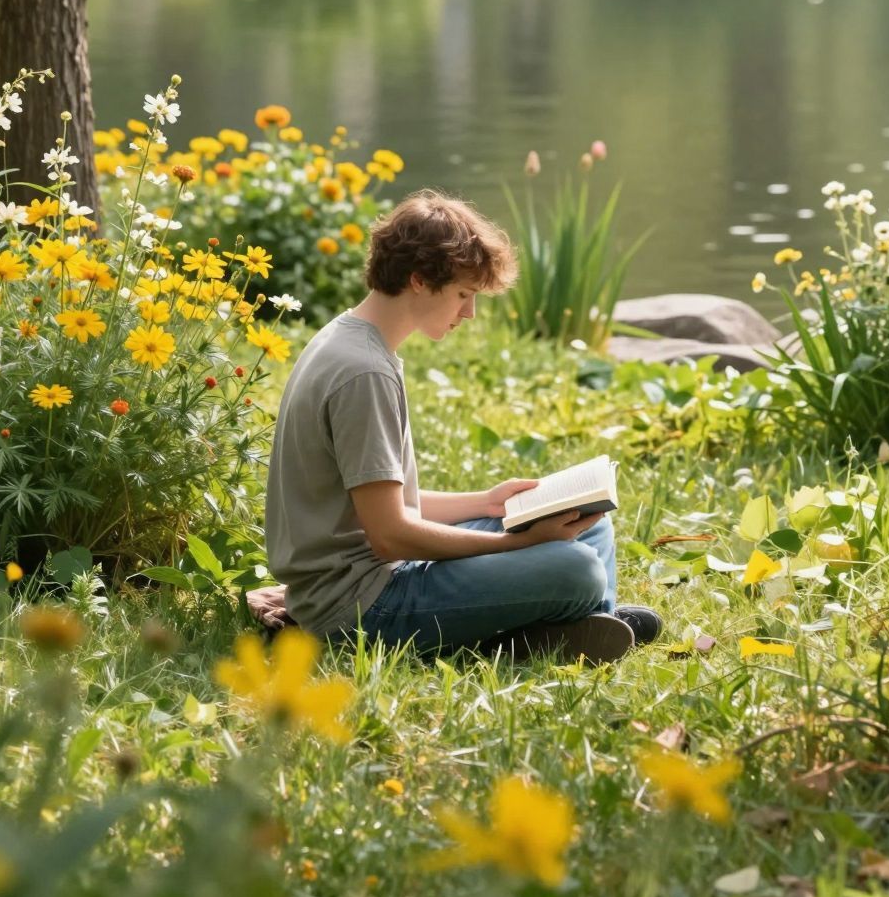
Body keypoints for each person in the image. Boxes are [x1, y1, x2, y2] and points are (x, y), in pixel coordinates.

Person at [263, 190, 663, 661]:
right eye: (463, 295)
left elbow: (380, 503)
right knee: (577, 568)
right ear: (418, 280)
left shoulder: (351, 340)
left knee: (587, 524)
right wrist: (515, 542)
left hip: (384, 572)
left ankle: (586, 625)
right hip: (361, 609)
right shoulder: (363, 372)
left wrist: (488, 502)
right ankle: (559, 627)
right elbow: (389, 534)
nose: (469, 313)